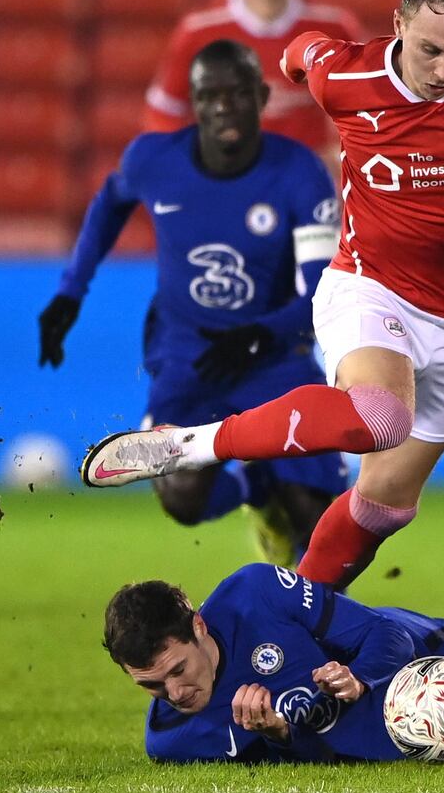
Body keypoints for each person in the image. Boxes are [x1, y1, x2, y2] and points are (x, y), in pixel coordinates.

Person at [82, 0, 444, 587]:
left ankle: (298, 621)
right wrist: (290, 66)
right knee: (380, 418)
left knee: (385, 508)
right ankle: (189, 444)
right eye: (430, 49)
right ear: (399, 24)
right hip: (367, 289)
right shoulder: (348, 76)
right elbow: (301, 54)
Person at [41, 40, 347, 563]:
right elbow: (109, 205)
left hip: (273, 356)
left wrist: (261, 335)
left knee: (318, 519)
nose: (223, 106)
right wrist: (71, 291)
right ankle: (255, 485)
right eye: (209, 95)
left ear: (260, 95)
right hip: (186, 355)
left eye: (237, 93)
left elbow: (323, 292)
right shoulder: (152, 160)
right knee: (181, 499)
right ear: (194, 103)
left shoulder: (299, 175)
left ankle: (289, 555)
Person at [103, 563, 444, 763]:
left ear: (198, 627)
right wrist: (279, 734)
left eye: (177, 670)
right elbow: (311, 760)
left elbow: (383, 635)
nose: (176, 694)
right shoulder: (173, 741)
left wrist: (357, 679)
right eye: (152, 686)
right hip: (360, 728)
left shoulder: (256, 592)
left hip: (397, 656)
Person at [143, 0, 363, 172]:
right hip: (231, 184)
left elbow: (367, 107)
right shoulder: (200, 31)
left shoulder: (334, 27)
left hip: (308, 184)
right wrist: (196, 162)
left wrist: (342, 155)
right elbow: (164, 111)